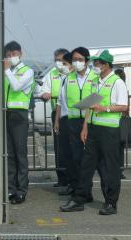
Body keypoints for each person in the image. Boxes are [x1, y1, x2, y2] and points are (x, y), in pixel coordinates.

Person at [60, 49, 129, 215]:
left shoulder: (117, 82)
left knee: (110, 168)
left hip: (109, 130)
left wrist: (104, 108)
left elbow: (124, 106)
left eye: (98, 63)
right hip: (92, 129)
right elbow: (91, 105)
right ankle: (79, 199)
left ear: (106, 65)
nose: (95, 65)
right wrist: (85, 126)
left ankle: (111, 203)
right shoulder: (96, 81)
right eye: (95, 62)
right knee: (86, 166)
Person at [58, 47, 98, 197]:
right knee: (75, 158)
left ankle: (85, 191)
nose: (77, 62)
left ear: (87, 60)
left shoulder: (95, 76)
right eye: (74, 60)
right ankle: (78, 188)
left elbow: (97, 97)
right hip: (73, 121)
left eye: (80, 59)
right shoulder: (67, 78)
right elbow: (63, 100)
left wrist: (86, 118)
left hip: (91, 121)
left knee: (89, 158)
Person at [4, 41, 35, 204]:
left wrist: (7, 70)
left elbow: (16, 87)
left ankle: (22, 189)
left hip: (19, 115)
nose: (10, 58)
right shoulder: (6, 72)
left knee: (20, 154)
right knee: (9, 154)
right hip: (6, 114)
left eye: (13, 54)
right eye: (8, 55)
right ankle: (11, 188)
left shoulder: (27, 71)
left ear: (20, 54)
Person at [40, 48, 70, 187]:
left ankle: (73, 178)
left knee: (73, 147)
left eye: (61, 60)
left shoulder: (73, 73)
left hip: (73, 115)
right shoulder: (51, 75)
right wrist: (45, 95)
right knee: (59, 147)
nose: (59, 63)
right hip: (57, 114)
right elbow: (44, 91)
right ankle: (62, 178)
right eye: (56, 60)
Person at [52, 52, 75, 190]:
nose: (63, 66)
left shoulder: (78, 79)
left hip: (75, 120)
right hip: (64, 120)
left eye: (65, 64)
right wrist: (57, 121)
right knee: (65, 154)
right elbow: (59, 102)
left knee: (75, 155)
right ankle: (71, 184)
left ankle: (77, 186)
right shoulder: (64, 79)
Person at [114, 68, 127, 179]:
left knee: (118, 148)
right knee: (118, 148)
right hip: (117, 121)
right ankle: (118, 170)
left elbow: (125, 108)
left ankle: (118, 170)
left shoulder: (121, 88)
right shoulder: (122, 88)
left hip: (119, 121)